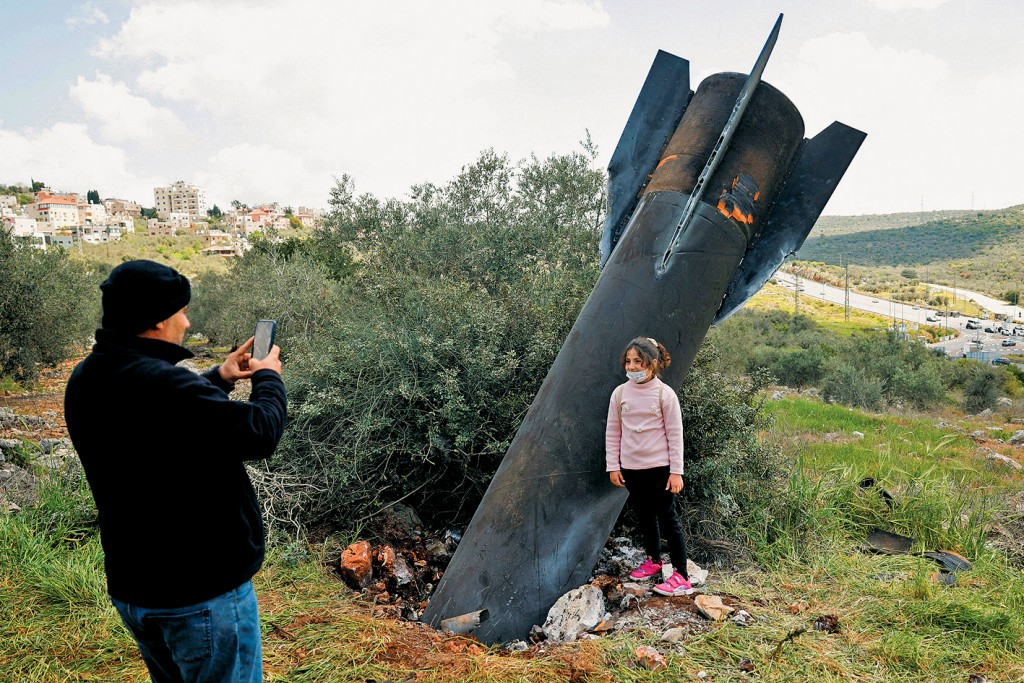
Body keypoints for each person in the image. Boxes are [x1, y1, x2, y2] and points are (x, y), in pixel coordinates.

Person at [64, 259, 287, 683]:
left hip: (138, 590)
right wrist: (268, 378)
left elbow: (161, 420)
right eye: (180, 312)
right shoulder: (164, 385)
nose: (186, 321)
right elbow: (259, 433)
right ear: (156, 323)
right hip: (200, 595)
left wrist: (219, 376)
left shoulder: (89, 376)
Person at [605, 336, 692, 597]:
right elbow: (613, 431)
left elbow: (675, 435)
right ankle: (654, 561)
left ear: (652, 364)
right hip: (631, 469)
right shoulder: (620, 393)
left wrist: (677, 472)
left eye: (638, 362)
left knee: (668, 519)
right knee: (644, 516)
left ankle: (682, 576)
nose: (631, 367)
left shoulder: (665, 394)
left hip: (661, 470)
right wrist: (613, 466)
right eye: (628, 362)